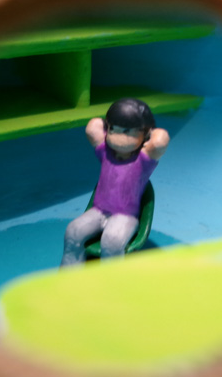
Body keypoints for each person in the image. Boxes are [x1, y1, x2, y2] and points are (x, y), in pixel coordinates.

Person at [61, 98, 169, 266]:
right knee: (73, 232)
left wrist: (149, 132)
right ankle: (70, 274)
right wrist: (108, 123)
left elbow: (160, 141)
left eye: (127, 131)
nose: (117, 138)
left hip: (125, 216)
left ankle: (111, 279)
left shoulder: (142, 161)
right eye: (113, 129)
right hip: (98, 211)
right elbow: (92, 127)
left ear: (145, 134)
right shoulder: (105, 153)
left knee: (112, 240)